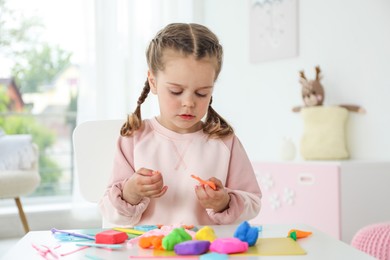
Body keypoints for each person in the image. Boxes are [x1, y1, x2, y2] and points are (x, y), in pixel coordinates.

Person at [99, 23, 262, 227]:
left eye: (202, 93)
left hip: (207, 251)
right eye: (176, 91)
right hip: (148, 251)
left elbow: (253, 203)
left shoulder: (225, 142)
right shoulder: (135, 138)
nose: (189, 103)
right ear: (153, 81)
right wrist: (131, 192)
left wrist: (224, 202)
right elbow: (109, 212)